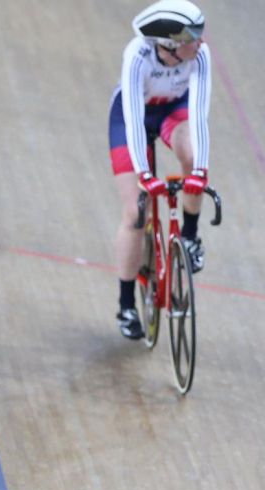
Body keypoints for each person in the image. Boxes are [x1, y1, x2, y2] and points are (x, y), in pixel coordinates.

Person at [109, 0, 211, 339]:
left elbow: (198, 117)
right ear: (169, 44)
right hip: (131, 118)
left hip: (173, 112)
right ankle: (126, 304)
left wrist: (201, 170)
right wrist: (145, 175)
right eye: (192, 37)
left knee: (193, 157)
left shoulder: (200, 56)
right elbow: (134, 121)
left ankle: (190, 236)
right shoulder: (138, 55)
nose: (201, 41)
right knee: (135, 212)